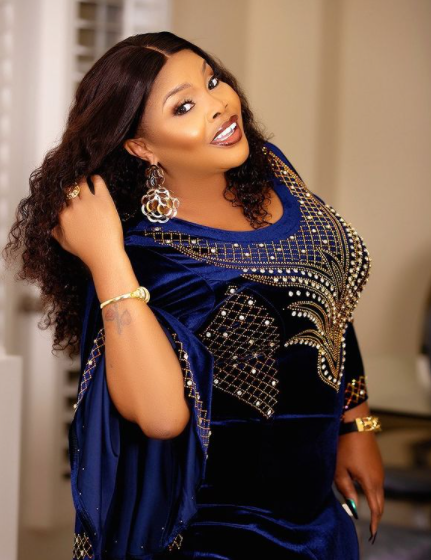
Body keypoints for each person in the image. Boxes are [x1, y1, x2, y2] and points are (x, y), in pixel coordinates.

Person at [3, 32, 384, 560]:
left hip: (318, 517)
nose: (219, 104)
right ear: (141, 147)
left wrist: (356, 422)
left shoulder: (270, 171)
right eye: (184, 106)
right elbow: (161, 417)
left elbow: (324, 293)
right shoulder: (147, 256)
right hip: (223, 535)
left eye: (213, 80)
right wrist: (106, 257)